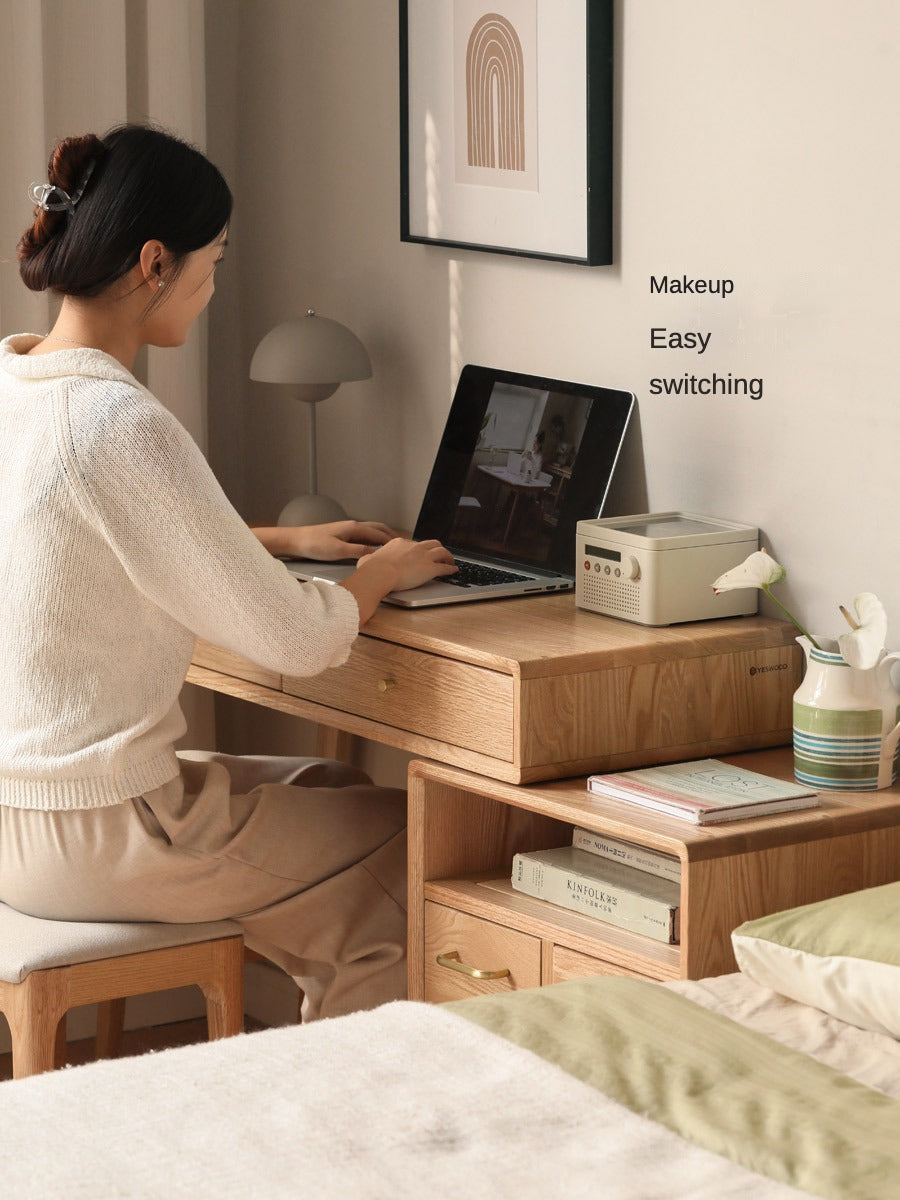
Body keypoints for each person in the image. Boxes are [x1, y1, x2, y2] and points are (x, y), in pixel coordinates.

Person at [0, 124, 457, 1021]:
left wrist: (277, 543)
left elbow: (69, 536)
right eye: (213, 261)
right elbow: (296, 639)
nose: (213, 286)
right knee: (407, 846)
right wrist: (381, 573)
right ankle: (352, 1122)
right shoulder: (118, 423)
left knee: (333, 792)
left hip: (17, 816)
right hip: (102, 831)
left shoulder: (19, 388)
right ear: (155, 262)